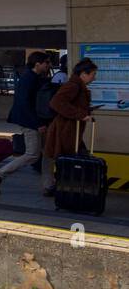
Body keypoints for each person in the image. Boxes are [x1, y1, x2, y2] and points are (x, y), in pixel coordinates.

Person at [0, 51, 52, 193]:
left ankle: (48, 185)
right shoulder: (28, 79)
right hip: (30, 122)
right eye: (47, 63)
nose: (49, 65)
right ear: (38, 64)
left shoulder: (36, 77)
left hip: (37, 121)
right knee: (32, 154)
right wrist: (38, 124)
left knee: (48, 152)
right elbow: (25, 104)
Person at [41, 58, 98, 198]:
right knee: (58, 155)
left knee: (58, 156)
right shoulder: (73, 85)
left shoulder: (77, 86)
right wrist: (80, 114)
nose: (94, 77)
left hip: (71, 128)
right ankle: (55, 186)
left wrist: (86, 111)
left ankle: (57, 185)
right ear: (84, 74)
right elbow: (56, 102)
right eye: (93, 74)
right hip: (65, 129)